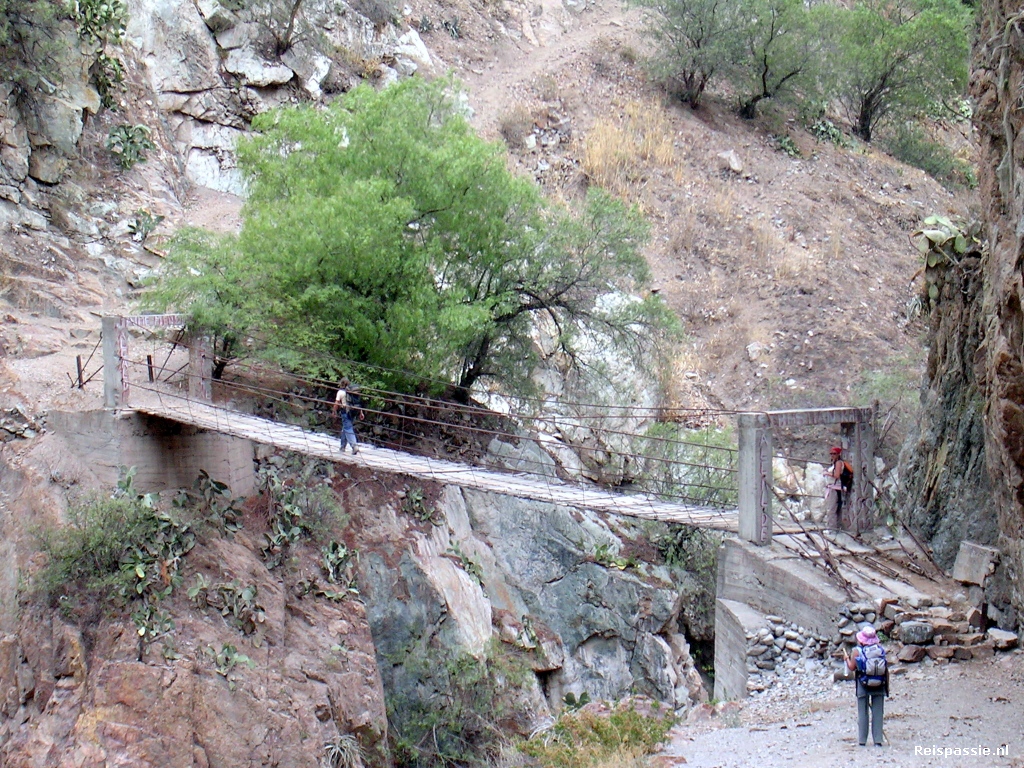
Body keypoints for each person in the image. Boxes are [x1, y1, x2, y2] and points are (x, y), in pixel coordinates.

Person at [844, 624, 888, 747]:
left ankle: (862, 740)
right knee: (878, 712)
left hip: (863, 684)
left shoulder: (857, 651)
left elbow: (851, 667)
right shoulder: (880, 650)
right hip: (879, 683)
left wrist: (846, 659)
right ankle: (878, 740)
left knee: (863, 712)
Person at [823, 446, 853, 529]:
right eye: (831, 454)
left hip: (835, 488)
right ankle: (836, 527)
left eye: (834, 454)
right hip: (837, 488)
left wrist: (827, 473)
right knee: (837, 509)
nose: (832, 455)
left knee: (832, 509)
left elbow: (837, 475)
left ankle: (831, 528)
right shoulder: (836, 463)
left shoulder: (838, 463)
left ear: (838, 454)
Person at [332, 377, 363, 455]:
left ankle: (354, 446)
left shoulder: (340, 392)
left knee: (348, 428)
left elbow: (336, 403)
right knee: (345, 427)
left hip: (345, 412)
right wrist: (361, 412)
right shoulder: (352, 391)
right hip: (353, 412)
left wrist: (334, 411)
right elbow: (357, 403)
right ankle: (342, 447)